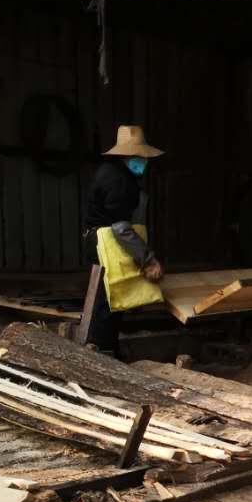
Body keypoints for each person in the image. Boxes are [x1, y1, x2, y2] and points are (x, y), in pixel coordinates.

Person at [83, 124, 164, 352]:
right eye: (138, 156)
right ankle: (101, 350)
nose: (143, 160)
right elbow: (120, 228)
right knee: (110, 299)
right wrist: (147, 260)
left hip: (100, 239)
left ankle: (106, 347)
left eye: (144, 156)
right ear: (126, 155)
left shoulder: (114, 172)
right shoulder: (118, 180)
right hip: (105, 242)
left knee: (111, 298)